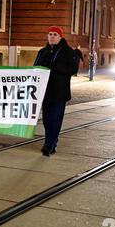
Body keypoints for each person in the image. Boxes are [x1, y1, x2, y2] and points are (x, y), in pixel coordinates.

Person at [33, 26, 78, 156]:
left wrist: (56, 67)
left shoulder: (68, 52)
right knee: (47, 120)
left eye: (55, 34)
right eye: (50, 34)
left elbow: (72, 70)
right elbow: (35, 67)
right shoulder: (42, 52)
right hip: (45, 92)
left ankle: (49, 145)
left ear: (60, 37)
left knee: (55, 119)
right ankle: (51, 141)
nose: (52, 36)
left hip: (59, 92)